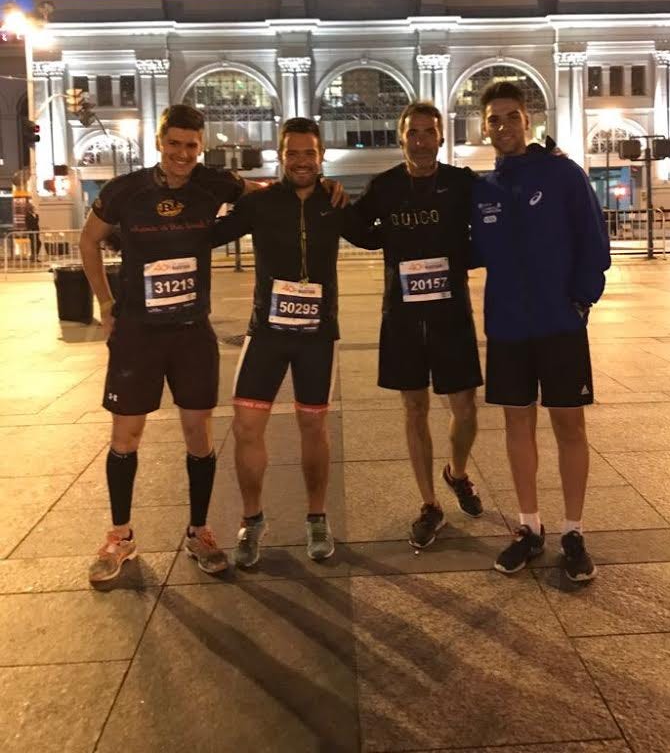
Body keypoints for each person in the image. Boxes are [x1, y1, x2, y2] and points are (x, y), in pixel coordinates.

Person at [80, 104, 252, 584]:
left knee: (199, 435)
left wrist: (317, 187)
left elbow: (263, 197)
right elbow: (88, 240)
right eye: (174, 143)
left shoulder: (214, 184)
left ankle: (199, 532)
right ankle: (120, 536)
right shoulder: (125, 190)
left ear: (201, 146)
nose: (182, 154)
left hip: (192, 332)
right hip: (138, 333)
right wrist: (105, 303)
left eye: (191, 145)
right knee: (125, 437)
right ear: (159, 142)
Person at [211, 117, 379, 568]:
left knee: (313, 428)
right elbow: (210, 235)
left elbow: (373, 237)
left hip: (316, 337)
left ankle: (317, 518)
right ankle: (252, 521)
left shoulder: (334, 202)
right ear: (281, 156)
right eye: (293, 153)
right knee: (246, 427)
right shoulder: (261, 203)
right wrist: (225, 186)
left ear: (321, 156)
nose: (301, 161)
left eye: (309, 153)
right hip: (266, 332)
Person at [471, 83, 610, 582]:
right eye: (494, 119)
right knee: (517, 425)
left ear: (527, 120)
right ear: (484, 127)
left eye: (511, 116)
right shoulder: (484, 189)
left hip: (559, 324)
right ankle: (529, 527)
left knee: (569, 426)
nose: (503, 126)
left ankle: (573, 531)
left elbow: (594, 240)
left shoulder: (562, 174)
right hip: (508, 326)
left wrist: (581, 301)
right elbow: (470, 249)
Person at [351, 102, 484, 549]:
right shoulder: (385, 186)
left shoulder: (462, 183)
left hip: (451, 313)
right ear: (401, 137)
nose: (421, 141)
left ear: (441, 138)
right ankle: (430, 504)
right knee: (414, 408)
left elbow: (493, 221)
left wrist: (466, 257)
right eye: (413, 133)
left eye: (429, 132)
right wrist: (383, 236)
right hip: (402, 314)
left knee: (466, 408)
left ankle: (457, 473)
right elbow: (355, 226)